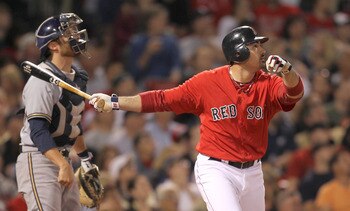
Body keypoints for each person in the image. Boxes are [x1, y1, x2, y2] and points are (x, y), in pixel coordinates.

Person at [90, 25, 304, 211]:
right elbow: (162, 99)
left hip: (253, 170)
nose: (262, 50)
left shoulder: (267, 82)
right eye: (255, 46)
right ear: (238, 52)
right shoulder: (207, 82)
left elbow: (294, 94)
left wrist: (287, 71)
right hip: (217, 168)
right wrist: (115, 102)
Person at [15, 13, 97, 210]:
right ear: (53, 45)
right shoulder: (41, 80)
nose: (76, 35)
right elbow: (38, 130)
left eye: (75, 30)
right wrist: (61, 164)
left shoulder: (78, 76)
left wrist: (85, 159)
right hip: (40, 160)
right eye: (68, 32)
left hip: (64, 158)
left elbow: (73, 123)